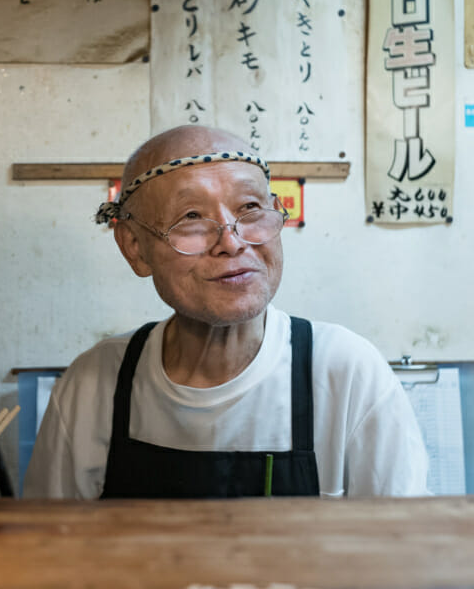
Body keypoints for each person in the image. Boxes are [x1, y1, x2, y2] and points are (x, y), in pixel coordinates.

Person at [23, 125, 429, 499]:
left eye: (250, 207)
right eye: (192, 217)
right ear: (134, 247)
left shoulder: (344, 371)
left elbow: (405, 554)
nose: (232, 242)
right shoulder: (95, 384)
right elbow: (46, 555)